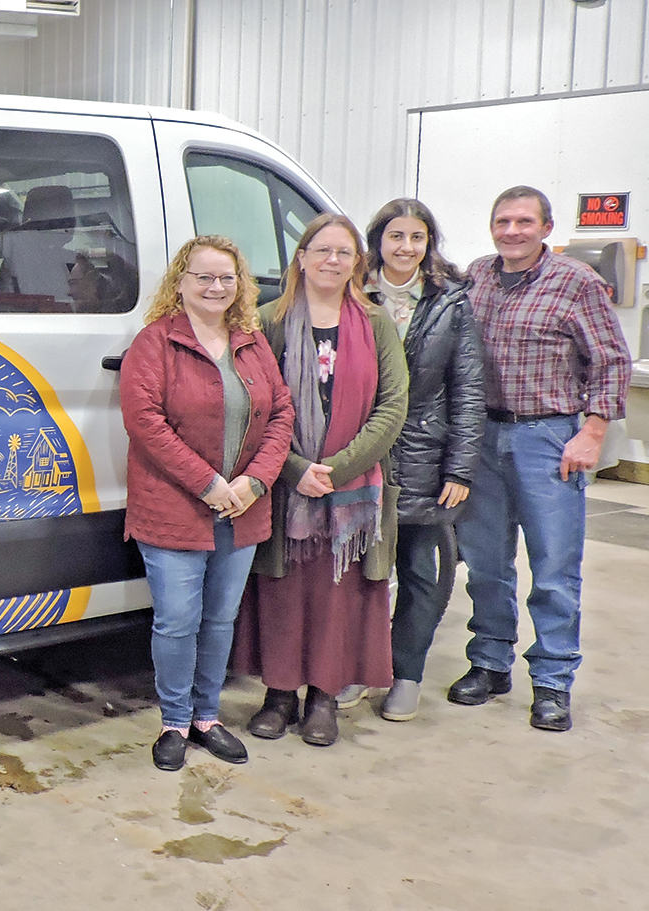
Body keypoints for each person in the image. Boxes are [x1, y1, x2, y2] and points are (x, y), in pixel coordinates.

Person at [449, 186, 633, 732]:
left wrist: (592, 433)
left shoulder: (576, 282)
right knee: (485, 564)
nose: (512, 231)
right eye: (502, 220)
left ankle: (552, 681)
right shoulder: (476, 276)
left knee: (553, 569)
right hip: (480, 436)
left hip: (548, 439)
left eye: (524, 221)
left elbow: (611, 359)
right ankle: (489, 662)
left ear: (546, 228)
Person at [120, 236, 295, 771]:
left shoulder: (252, 341)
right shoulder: (155, 343)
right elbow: (144, 422)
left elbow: (282, 413)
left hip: (241, 510)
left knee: (220, 621)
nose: (216, 287)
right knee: (176, 621)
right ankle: (174, 721)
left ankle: (206, 716)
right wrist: (209, 484)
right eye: (203, 277)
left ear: (240, 284)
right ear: (181, 283)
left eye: (227, 278)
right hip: (174, 508)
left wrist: (254, 483)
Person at [234, 213, 408, 747]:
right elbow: (252, 405)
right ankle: (279, 695)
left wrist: (338, 470)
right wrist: (295, 469)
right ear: (302, 257)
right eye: (322, 250)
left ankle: (324, 698)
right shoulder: (267, 321)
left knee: (338, 595)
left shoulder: (375, 322)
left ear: (357, 263)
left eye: (344, 252)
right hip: (285, 486)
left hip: (351, 491)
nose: (332, 260)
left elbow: (394, 403)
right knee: (282, 592)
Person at [354, 199, 486, 722]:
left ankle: (405, 673)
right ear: (378, 241)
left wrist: (459, 467)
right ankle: (355, 669)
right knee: (355, 571)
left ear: (429, 244)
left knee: (420, 574)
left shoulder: (451, 302)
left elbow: (468, 389)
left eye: (417, 237)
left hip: (426, 459)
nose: (406, 247)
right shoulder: (352, 293)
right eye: (396, 236)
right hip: (360, 453)